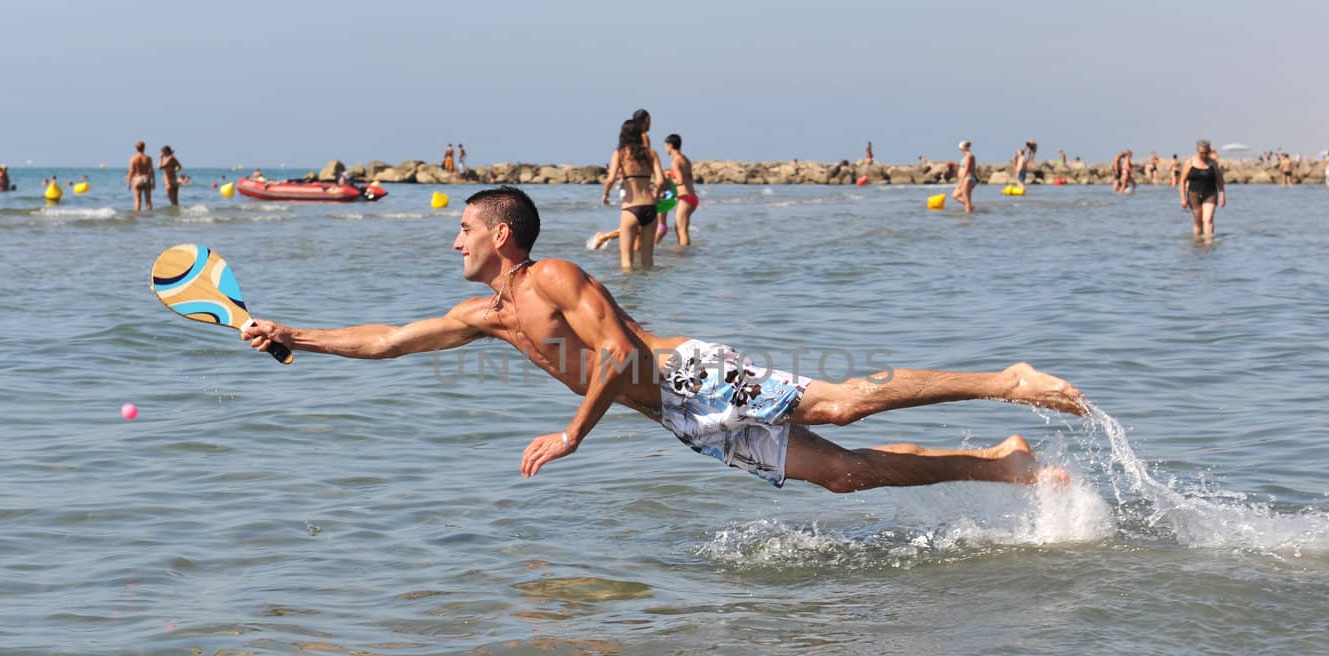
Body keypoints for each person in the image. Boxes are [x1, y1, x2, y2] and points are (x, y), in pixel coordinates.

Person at [239, 187, 1086, 492]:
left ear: (502, 235)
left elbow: (622, 357)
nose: (452, 242)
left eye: (463, 229)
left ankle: (1006, 379)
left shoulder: (555, 278)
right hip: (674, 418)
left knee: (848, 402)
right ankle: (1003, 464)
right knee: (844, 477)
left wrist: (574, 435)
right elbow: (385, 339)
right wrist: (291, 334)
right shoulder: (485, 316)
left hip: (693, 378)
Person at [599, 119, 665, 270]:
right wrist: (656, 196)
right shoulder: (652, 153)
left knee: (626, 262)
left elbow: (610, 179)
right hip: (650, 207)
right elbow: (661, 181)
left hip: (631, 208)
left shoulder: (620, 154)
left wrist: (606, 194)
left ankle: (629, 293)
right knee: (648, 261)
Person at [1179, 139, 1225, 240]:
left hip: (1210, 193)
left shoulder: (1213, 163)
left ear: (1209, 151)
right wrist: (1182, 198)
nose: (1203, 155)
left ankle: (1209, 243)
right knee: (1198, 223)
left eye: (1206, 153)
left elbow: (1220, 180)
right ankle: (1198, 244)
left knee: (1208, 220)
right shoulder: (1190, 162)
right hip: (1193, 194)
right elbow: (1182, 181)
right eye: (1201, 153)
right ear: (1197, 150)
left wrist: (1222, 195)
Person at [663, 133, 698, 247]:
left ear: (670, 145)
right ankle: (686, 251)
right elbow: (690, 178)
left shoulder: (675, 161)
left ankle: (684, 255)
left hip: (685, 198)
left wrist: (668, 178)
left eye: (665, 145)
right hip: (692, 197)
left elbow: (680, 181)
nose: (665, 148)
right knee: (683, 228)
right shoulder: (685, 159)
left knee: (680, 229)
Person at [950, 141, 976, 213]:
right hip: (966, 179)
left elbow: (967, 169)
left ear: (963, 148)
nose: (960, 151)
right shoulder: (966, 156)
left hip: (967, 179)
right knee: (955, 195)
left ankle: (968, 217)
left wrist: (961, 182)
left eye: (960, 149)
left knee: (967, 199)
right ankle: (970, 207)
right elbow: (964, 167)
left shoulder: (969, 156)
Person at [127, 141, 154, 211]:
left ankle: (137, 218)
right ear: (144, 148)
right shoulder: (148, 158)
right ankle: (150, 216)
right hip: (146, 178)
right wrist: (153, 182)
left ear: (136, 148)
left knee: (137, 201)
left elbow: (131, 171)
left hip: (137, 179)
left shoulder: (133, 158)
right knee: (148, 201)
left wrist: (129, 183)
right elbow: (151, 171)